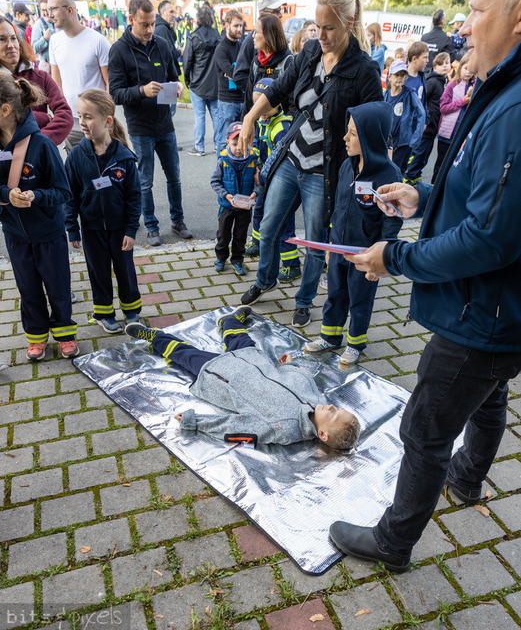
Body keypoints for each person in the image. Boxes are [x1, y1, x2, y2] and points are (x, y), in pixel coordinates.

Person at [329, 0, 521, 573]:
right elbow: (482, 200)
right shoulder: (501, 91)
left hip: (480, 310)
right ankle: (468, 479)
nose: (463, 26)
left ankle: (394, 541)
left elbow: (489, 238)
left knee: (426, 427)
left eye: (478, 11)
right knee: (488, 393)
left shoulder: (514, 108)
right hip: (494, 312)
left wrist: (397, 258)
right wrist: (423, 196)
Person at [238, 0, 383, 329]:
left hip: (325, 172)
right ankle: (265, 280)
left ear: (349, 23)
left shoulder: (364, 69)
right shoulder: (310, 52)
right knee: (268, 227)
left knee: (316, 242)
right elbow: (278, 89)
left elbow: (375, 127)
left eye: (329, 28)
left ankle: (304, 301)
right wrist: (250, 116)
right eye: (317, 27)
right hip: (293, 159)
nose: (321, 35)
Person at [125, 306, 361, 450]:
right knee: (240, 338)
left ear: (322, 434)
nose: (331, 407)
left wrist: (195, 421)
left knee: (184, 355)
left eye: (333, 414)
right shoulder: (317, 401)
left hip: (222, 375)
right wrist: (290, 365)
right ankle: (228, 321)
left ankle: (155, 337)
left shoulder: (284, 428)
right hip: (253, 359)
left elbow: (236, 428)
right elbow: (301, 378)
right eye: (338, 408)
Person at [305, 102, 402, 364]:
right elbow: (338, 208)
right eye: (347, 131)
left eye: (353, 133)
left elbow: (391, 222)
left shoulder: (389, 175)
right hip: (339, 248)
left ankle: (356, 343)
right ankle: (330, 337)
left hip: (366, 254)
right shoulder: (347, 166)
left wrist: (381, 259)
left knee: (360, 299)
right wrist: (330, 246)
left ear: (371, 138)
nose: (345, 138)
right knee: (335, 294)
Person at [0, 75, 78, 361]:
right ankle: (36, 337)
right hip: (15, 235)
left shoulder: (42, 145)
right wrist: (7, 195)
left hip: (49, 234)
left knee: (58, 288)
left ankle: (65, 334)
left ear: (5, 110)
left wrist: (37, 196)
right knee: (28, 290)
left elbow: (63, 191)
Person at [108, 0, 191, 246]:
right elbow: (115, 93)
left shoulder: (162, 44)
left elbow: (173, 76)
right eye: (144, 24)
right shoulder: (118, 50)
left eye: (153, 23)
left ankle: (177, 221)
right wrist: (141, 91)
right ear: (131, 19)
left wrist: (177, 86)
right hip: (140, 128)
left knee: (174, 177)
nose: (150, 30)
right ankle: (152, 227)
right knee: (145, 181)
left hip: (165, 124)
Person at [64, 89, 142, 334]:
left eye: (88, 117)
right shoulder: (76, 156)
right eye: (80, 116)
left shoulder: (124, 158)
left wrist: (131, 230)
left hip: (120, 230)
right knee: (98, 273)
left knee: (125, 271)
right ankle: (104, 314)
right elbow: (69, 196)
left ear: (108, 121)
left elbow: (134, 197)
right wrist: (72, 228)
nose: (82, 122)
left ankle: (132, 311)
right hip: (92, 229)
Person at [248, 78, 301, 283]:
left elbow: (282, 158)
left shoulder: (281, 127)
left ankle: (291, 264)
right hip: (265, 179)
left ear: (277, 103)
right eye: (256, 104)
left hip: (279, 181)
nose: (259, 109)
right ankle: (258, 243)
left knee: (283, 223)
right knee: (259, 211)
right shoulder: (263, 121)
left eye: (264, 104)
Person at [48, 0, 110, 152]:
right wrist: (60, 115)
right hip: (70, 120)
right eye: (48, 10)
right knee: (75, 165)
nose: (50, 15)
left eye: (53, 9)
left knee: (102, 163)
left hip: (97, 119)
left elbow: (110, 83)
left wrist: (107, 117)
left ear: (69, 10)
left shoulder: (98, 41)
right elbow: (56, 84)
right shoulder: (54, 41)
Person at [0, 16, 73, 146]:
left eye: (13, 38)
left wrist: (37, 144)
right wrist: (42, 117)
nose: (11, 45)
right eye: (2, 39)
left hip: (40, 155)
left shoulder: (41, 77)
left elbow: (65, 115)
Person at [211, 121, 260, 276]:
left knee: (240, 236)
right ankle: (220, 258)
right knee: (223, 235)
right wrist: (226, 195)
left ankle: (238, 260)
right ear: (227, 142)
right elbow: (214, 182)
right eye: (234, 144)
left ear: (249, 142)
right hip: (227, 206)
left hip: (244, 208)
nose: (239, 148)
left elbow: (260, 183)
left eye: (242, 143)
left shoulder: (253, 160)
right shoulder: (223, 160)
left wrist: (255, 193)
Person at [405, 52, 451, 184]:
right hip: (427, 127)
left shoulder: (444, 81)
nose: (445, 66)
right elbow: (422, 101)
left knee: (424, 157)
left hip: (434, 127)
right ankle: (408, 178)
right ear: (435, 66)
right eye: (441, 64)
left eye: (447, 63)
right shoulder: (432, 82)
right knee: (419, 155)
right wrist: (425, 120)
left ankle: (415, 176)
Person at [431, 53, 475, 184]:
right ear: (460, 68)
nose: (468, 72)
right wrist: (463, 101)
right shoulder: (452, 86)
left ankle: (446, 188)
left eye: (471, 70)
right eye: (466, 68)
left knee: (454, 166)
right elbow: (443, 107)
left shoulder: (474, 86)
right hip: (447, 134)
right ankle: (433, 188)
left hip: (462, 135)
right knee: (440, 164)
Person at [183, 7, 220, 157]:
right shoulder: (218, 36)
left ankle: (199, 147)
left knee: (199, 116)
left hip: (197, 83)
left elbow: (187, 61)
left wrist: (187, 80)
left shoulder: (194, 37)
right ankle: (218, 144)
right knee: (216, 116)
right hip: (215, 84)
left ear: (198, 19)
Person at [232, 0, 287, 92]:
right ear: (262, 15)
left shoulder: (281, 40)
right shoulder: (251, 41)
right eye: (275, 11)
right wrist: (258, 93)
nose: (280, 15)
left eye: (281, 10)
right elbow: (239, 75)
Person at [243, 13, 293, 118]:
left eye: (256, 32)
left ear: (268, 35)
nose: (253, 36)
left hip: (280, 126)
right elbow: (248, 101)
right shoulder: (256, 62)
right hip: (258, 126)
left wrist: (286, 125)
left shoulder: (288, 62)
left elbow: (293, 104)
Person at [384, 60, 425, 175]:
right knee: (386, 171)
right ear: (389, 77)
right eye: (397, 75)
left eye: (403, 75)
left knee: (397, 173)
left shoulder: (409, 93)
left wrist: (415, 139)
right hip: (387, 141)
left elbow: (421, 113)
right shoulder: (385, 95)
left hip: (402, 143)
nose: (400, 78)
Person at [214, 9, 245, 154]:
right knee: (224, 141)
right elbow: (234, 72)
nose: (239, 29)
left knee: (242, 140)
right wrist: (237, 73)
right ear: (227, 25)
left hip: (243, 99)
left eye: (241, 26)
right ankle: (222, 167)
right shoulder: (221, 49)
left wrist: (236, 73)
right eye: (236, 26)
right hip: (227, 101)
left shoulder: (242, 47)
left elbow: (244, 72)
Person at [31, 0, 55, 74]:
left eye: (47, 9)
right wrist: (44, 39)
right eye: (43, 10)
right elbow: (34, 49)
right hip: (47, 67)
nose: (46, 13)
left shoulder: (58, 21)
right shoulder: (38, 25)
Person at [405, 41, 429, 109]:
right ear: (414, 59)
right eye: (425, 57)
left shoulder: (422, 76)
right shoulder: (402, 78)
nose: (427, 60)